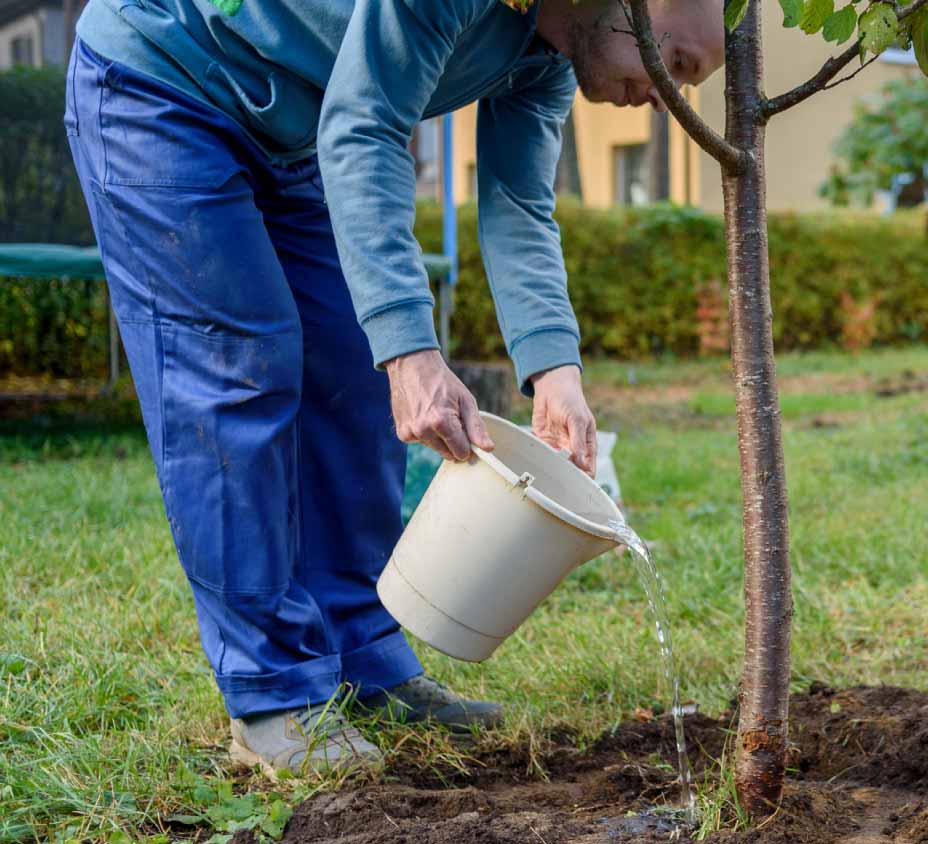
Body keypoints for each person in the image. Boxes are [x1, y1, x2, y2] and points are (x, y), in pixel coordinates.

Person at [63, 0, 723, 776]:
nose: (668, 99)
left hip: (297, 131)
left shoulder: (551, 50)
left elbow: (517, 203)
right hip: (164, 82)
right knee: (240, 371)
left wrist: (557, 374)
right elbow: (368, 126)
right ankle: (271, 692)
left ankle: (363, 658)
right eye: (674, 65)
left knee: (348, 366)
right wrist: (412, 354)